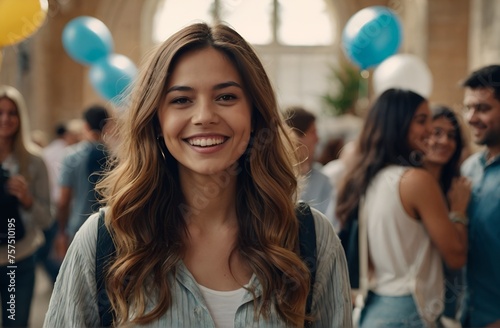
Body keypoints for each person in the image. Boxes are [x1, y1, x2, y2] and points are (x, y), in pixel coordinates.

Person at [44, 22, 352, 327]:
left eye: (226, 97)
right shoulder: (105, 241)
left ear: (256, 114)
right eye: (181, 100)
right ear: (156, 121)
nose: (204, 116)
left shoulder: (311, 239)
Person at [336, 88, 470, 327]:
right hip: (409, 310)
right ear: (396, 124)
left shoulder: (370, 178)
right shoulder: (416, 180)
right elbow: (456, 256)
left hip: (375, 307)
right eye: (421, 121)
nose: (429, 129)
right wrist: (458, 211)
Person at [0, 85, 52, 327]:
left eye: (12, 113)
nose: (5, 118)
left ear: (20, 118)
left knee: (16, 323)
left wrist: (28, 200)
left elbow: (46, 220)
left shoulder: (34, 160)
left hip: (17, 258)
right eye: (0, 112)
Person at [460, 64, 500, 327]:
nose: (472, 117)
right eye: (468, 107)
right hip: (468, 316)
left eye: (483, 108)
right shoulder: (469, 168)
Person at [424, 105, 469, 328]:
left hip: (451, 306)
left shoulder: (456, 186)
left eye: (452, 136)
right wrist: (458, 212)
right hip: (418, 302)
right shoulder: (411, 185)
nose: (444, 141)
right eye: (436, 132)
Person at [54, 105, 110, 260]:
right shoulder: (116, 157)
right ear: (107, 125)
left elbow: (63, 200)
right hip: (109, 229)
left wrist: (61, 232)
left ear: (85, 126)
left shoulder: (71, 156)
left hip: (79, 227)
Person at [36, 122, 81, 284]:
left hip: (50, 201)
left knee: (51, 243)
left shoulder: (47, 152)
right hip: (63, 203)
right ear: (66, 135)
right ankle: (60, 276)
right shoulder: (68, 152)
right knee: (58, 241)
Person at [284, 106, 334, 221]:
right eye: (313, 132)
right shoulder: (273, 177)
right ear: (294, 137)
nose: (317, 139)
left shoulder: (323, 180)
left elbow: (331, 225)